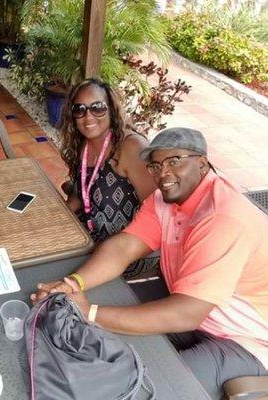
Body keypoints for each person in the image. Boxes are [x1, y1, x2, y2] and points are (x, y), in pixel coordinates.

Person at [32, 127, 268, 399]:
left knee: (146, 387)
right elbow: (124, 247)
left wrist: (90, 312)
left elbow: (186, 313)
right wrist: (72, 284)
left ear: (202, 164)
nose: (162, 173)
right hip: (195, 311)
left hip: (247, 340)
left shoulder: (223, 219)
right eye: (155, 165)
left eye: (174, 161)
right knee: (101, 324)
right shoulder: (165, 200)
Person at [59, 78, 156, 277]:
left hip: (128, 251)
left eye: (97, 107)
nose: (88, 116)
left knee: (64, 278)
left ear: (111, 109)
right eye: (80, 109)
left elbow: (158, 211)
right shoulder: (83, 145)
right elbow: (80, 192)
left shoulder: (130, 148)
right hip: (90, 239)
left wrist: (115, 249)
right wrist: (58, 220)